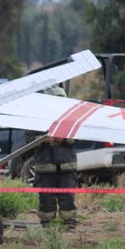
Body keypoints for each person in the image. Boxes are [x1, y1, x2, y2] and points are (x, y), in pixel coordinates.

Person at [31, 85, 78, 229]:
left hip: (66, 167)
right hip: (45, 168)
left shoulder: (70, 119)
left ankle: (69, 225)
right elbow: (29, 139)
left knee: (68, 198)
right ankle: (47, 225)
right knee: (46, 199)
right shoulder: (37, 118)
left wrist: (63, 139)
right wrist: (42, 140)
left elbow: (78, 137)